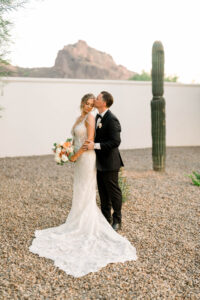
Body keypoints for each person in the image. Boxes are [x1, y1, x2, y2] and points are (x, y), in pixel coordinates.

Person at [29, 93, 137, 278]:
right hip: (88, 159)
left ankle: (116, 220)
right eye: (88, 102)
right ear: (82, 103)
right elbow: (80, 138)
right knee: (91, 190)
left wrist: (78, 154)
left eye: (94, 101)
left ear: (102, 102)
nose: (91, 104)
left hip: (97, 159)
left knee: (108, 190)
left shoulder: (104, 118)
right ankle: (99, 217)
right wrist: (65, 149)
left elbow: (102, 141)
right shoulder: (86, 116)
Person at [83, 91, 124, 231]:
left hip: (110, 163)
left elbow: (115, 142)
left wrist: (94, 146)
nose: (95, 99)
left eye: (98, 98)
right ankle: (106, 219)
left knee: (114, 192)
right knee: (102, 192)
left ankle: (117, 220)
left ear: (104, 103)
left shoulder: (112, 119)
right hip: (98, 162)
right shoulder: (96, 117)